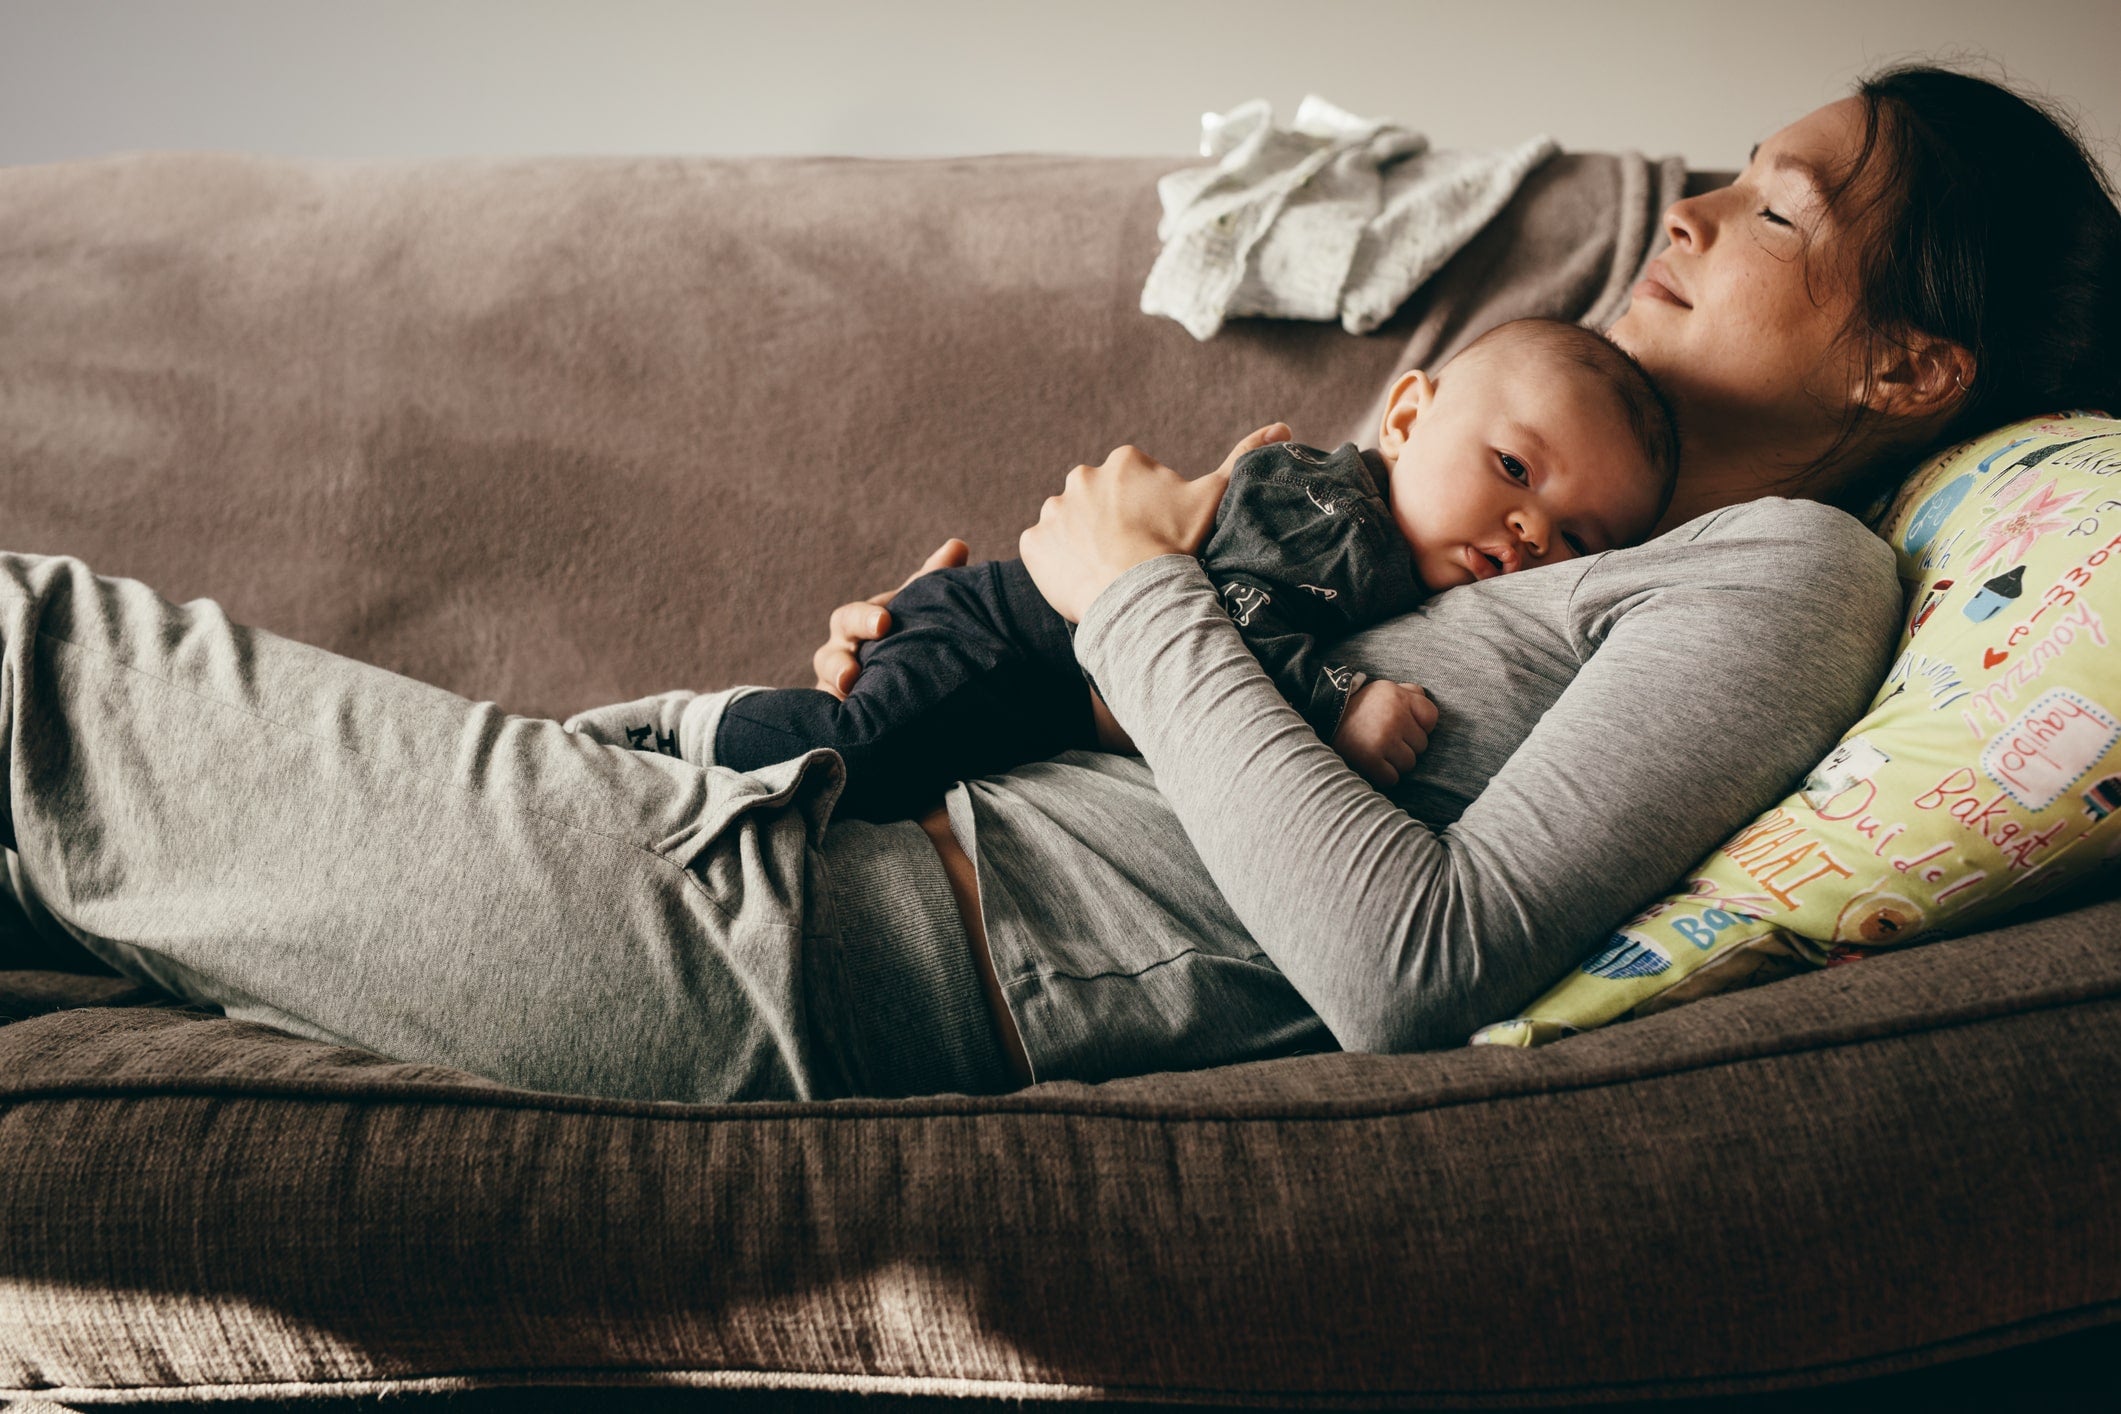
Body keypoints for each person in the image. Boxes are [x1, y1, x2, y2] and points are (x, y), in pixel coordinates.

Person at [6, 65, 2117, 1105]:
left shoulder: (1786, 579)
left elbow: (1408, 962)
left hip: (802, 946)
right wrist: (972, 659)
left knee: (31, 653)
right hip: (775, 829)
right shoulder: (1553, 517)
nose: (1692, 207)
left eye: (1777, 206)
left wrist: (1122, 598)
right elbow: (1189, 732)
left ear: (1902, 367)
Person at [562, 318, 1678, 818]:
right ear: (1404, 410)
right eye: (1513, 466)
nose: (1532, 532)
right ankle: (673, 734)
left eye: (1579, 537)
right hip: (1014, 640)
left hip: (1042, 679)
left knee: (878, 793)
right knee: (862, 756)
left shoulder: (1390, 558)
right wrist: (1340, 702)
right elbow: (1228, 616)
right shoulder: (1339, 519)